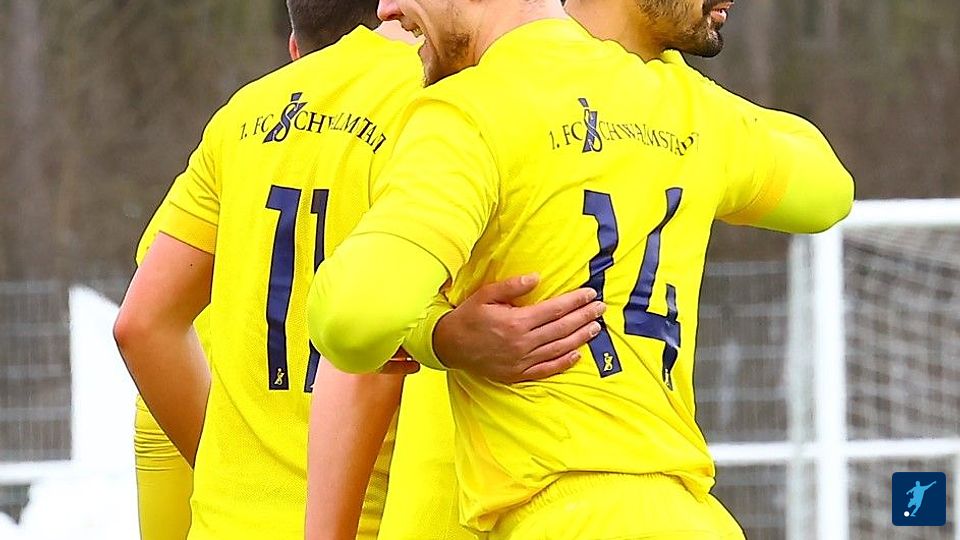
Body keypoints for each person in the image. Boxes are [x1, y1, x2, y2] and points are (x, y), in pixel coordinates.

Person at [307, 0, 854, 538]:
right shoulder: (683, 108)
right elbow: (827, 189)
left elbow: (354, 322)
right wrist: (655, 89)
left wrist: (436, 334)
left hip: (552, 513)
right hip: (687, 516)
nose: (385, 8)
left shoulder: (467, 112)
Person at [116, 1, 600, 538]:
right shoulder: (454, 106)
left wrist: (230, 464)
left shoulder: (247, 113)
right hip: (374, 521)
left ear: (296, 47)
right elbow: (369, 351)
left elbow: (142, 324)